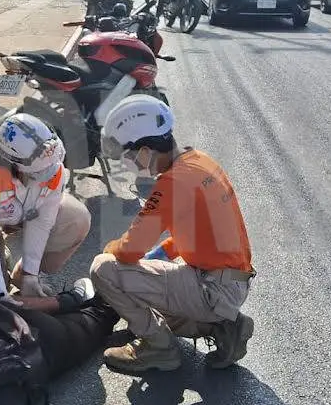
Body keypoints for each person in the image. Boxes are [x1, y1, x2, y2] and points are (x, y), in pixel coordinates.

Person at [89, 94, 256, 374]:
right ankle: (225, 326)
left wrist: (109, 250)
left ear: (144, 150)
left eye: (129, 155)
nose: (129, 163)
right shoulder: (199, 161)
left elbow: (129, 249)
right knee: (148, 297)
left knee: (103, 269)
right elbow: (202, 230)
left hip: (212, 289)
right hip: (231, 282)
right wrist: (164, 251)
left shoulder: (173, 183)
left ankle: (158, 347)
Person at [0, 113, 91, 301]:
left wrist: (30, 274)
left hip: (18, 209)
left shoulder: (50, 162)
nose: (51, 172)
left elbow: (42, 222)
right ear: (12, 163)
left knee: (76, 218)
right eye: (39, 170)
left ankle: (18, 273)